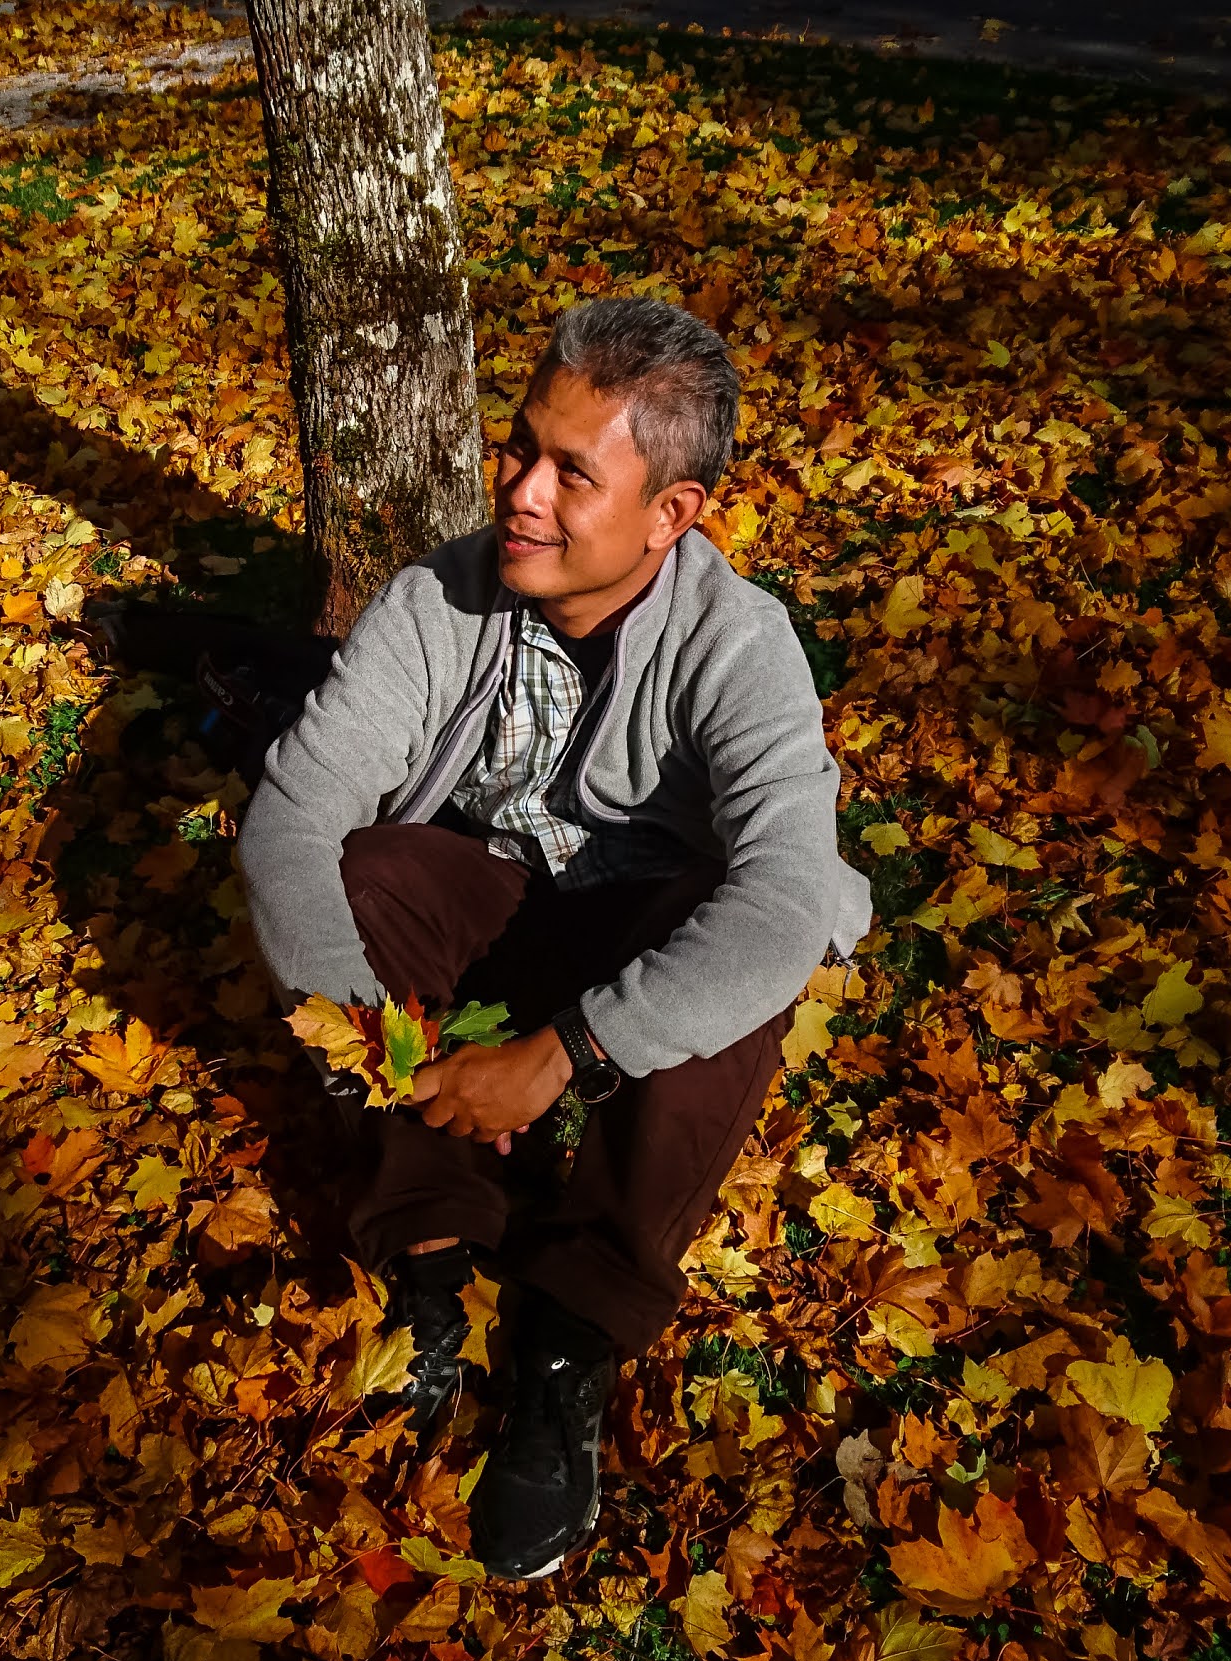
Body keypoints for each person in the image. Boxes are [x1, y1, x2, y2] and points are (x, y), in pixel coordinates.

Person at [238, 295, 871, 1580]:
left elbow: (785, 900)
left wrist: (565, 1052)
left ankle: (571, 1330)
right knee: (373, 865)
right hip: (490, 901)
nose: (520, 490)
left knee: (735, 957)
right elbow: (290, 819)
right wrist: (381, 1046)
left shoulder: (739, 645)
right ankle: (428, 1238)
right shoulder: (438, 599)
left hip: (635, 920)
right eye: (518, 447)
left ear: (670, 515)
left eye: (571, 473)